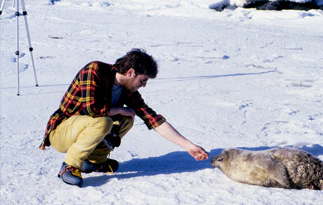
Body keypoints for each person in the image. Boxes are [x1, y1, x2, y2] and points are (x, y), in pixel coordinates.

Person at [39, 48, 209, 187]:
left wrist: (189, 146)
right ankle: (69, 166)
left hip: (85, 131)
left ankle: (93, 161)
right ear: (130, 72)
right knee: (105, 120)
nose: (144, 85)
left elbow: (152, 119)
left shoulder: (129, 91)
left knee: (127, 118)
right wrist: (120, 109)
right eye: (142, 80)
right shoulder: (94, 70)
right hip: (61, 133)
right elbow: (92, 109)